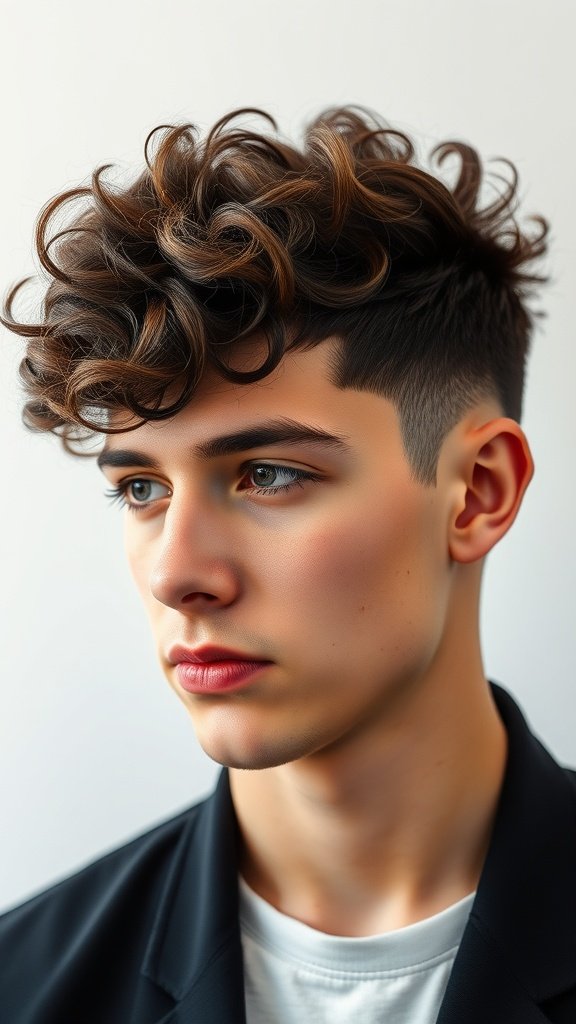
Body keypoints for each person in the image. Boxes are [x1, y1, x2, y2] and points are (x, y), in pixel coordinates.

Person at [0, 106, 573, 1024]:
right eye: (142, 489)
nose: (176, 574)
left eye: (268, 475)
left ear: (478, 493)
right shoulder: (25, 987)